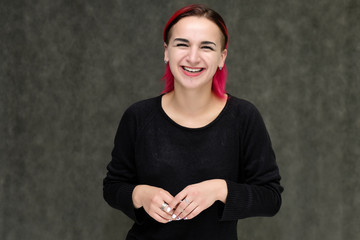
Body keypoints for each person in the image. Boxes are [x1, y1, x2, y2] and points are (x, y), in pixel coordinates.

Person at [103, 4, 283, 240]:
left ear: (222, 57)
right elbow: (113, 186)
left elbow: (271, 198)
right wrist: (140, 194)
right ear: (166, 51)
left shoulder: (243, 117)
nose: (193, 57)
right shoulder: (138, 117)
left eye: (206, 47)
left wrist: (220, 189)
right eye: (182, 44)